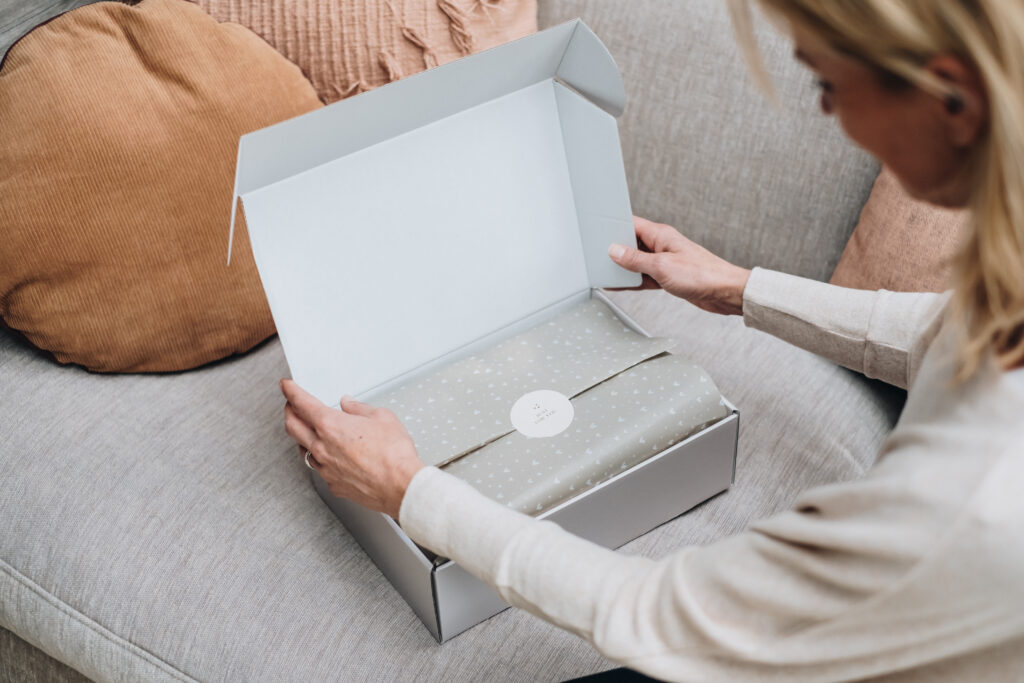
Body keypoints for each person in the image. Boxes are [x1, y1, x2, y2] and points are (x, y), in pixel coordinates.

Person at [279, 0, 1024, 680]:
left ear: (953, 98)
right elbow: (942, 331)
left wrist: (411, 490)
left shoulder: (964, 502)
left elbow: (657, 617)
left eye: (828, 83)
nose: (827, 111)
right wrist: (737, 287)